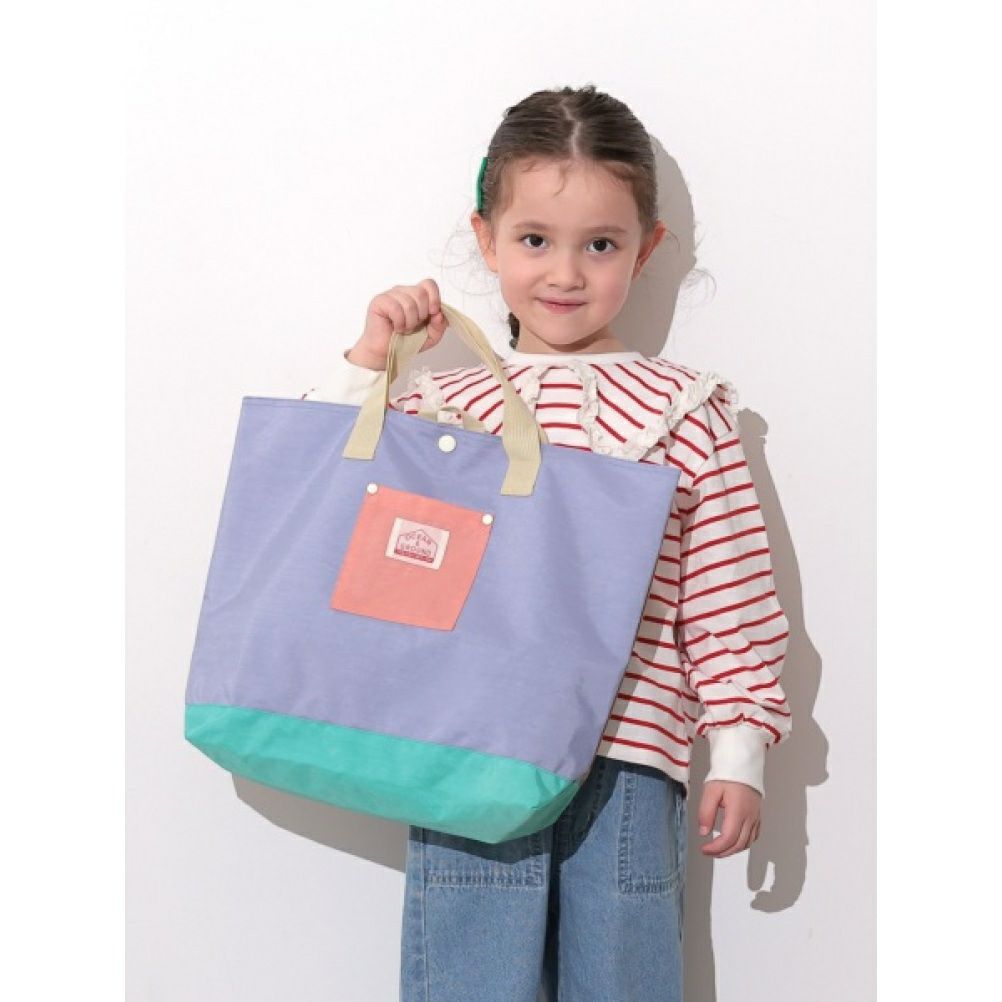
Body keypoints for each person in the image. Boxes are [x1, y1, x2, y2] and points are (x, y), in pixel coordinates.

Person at [302, 84, 792, 1002]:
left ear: (646, 248)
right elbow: (321, 496)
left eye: (600, 245)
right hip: (466, 745)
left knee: (623, 979)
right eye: (535, 240)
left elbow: (726, 593)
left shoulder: (686, 411)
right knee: (471, 981)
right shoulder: (445, 403)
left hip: (629, 758)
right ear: (486, 239)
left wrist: (738, 749)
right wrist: (372, 360)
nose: (565, 273)